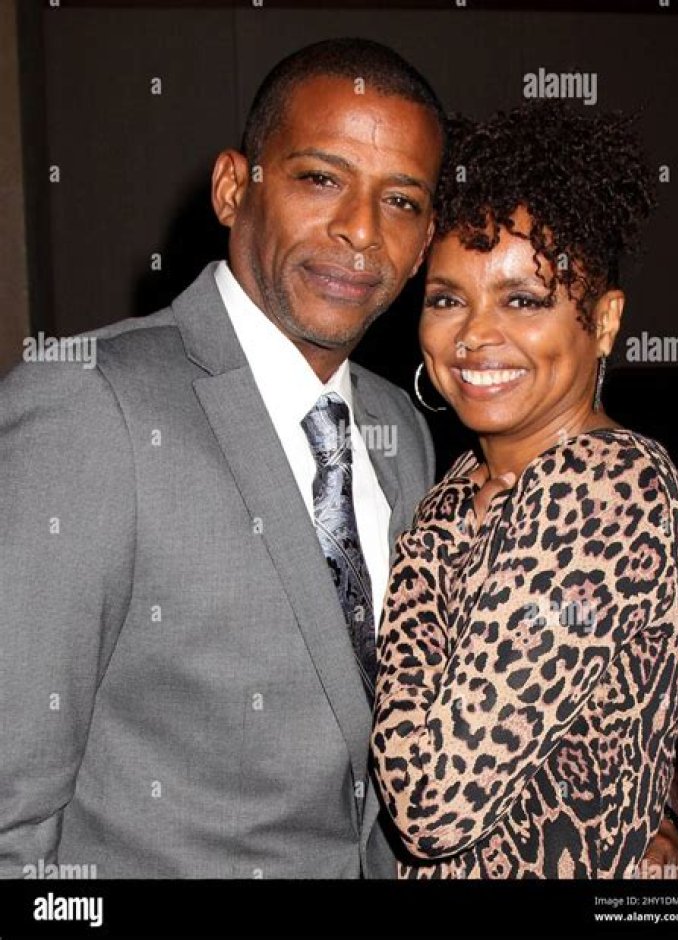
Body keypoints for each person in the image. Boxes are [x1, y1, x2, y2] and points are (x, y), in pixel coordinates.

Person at [0, 38, 444, 878]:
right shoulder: (89, 407)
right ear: (235, 188)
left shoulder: (402, 430)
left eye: (400, 200)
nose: (360, 230)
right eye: (322, 178)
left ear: (424, 243)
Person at [371, 101, 678, 878]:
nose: (475, 334)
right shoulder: (465, 482)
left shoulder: (606, 488)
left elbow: (431, 804)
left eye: (523, 299)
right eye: (448, 298)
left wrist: (419, 557)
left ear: (604, 322)